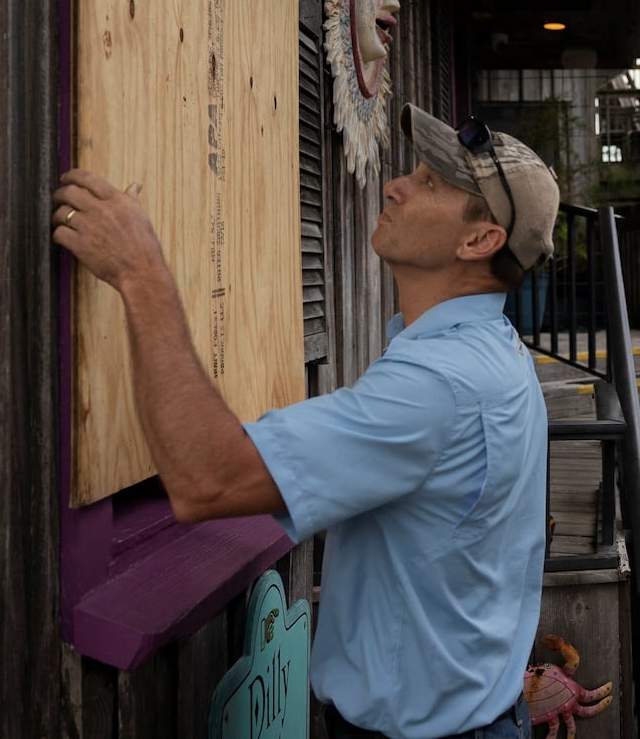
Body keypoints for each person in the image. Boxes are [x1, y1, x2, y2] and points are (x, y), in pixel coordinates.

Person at [52, 104, 561, 739]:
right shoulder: (498, 353)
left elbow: (206, 479)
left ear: (479, 241)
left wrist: (139, 270)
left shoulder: (440, 386)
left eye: (430, 183)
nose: (395, 185)